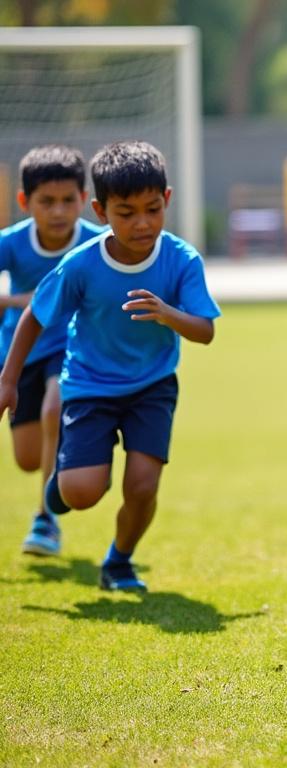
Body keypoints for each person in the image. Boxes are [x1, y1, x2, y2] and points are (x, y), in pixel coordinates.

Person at [0, 140, 220, 591]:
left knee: (142, 485)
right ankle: (64, 484)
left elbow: (205, 330)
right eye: (126, 212)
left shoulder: (181, 259)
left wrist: (168, 314)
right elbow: (35, 316)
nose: (142, 223)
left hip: (153, 385)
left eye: (152, 209)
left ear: (167, 200)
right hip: (90, 386)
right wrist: (8, 380)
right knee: (81, 492)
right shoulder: (82, 264)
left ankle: (119, 561)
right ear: (100, 211)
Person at [0, 145, 104, 556]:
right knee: (27, 458)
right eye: (47, 202)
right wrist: (16, 303)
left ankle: (46, 520)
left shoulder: (97, 243)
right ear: (24, 202)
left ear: (84, 199)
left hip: (71, 347)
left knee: (54, 407)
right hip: (21, 352)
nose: (58, 211)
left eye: (67, 200)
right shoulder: (11, 243)